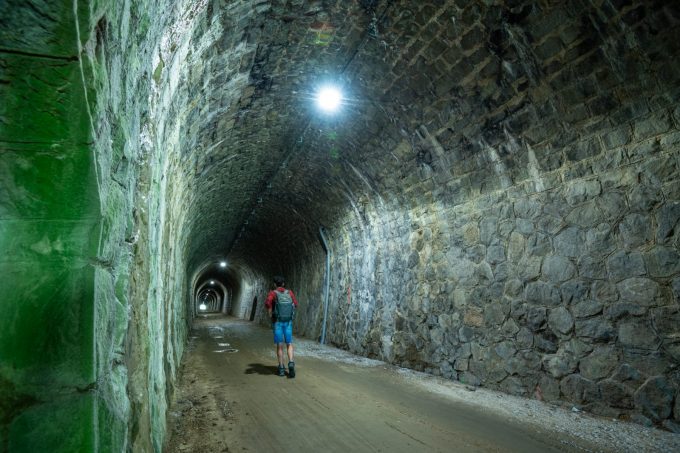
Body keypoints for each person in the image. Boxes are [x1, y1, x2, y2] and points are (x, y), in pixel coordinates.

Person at [265, 275, 298, 377]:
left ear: (275, 284)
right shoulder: (290, 293)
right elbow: (295, 304)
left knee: (280, 345)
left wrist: (270, 313)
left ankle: (282, 368)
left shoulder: (273, 293)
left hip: (278, 322)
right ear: (283, 284)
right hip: (288, 322)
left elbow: (267, 303)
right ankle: (291, 363)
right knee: (289, 343)